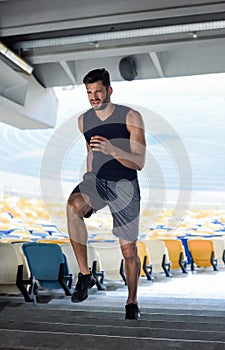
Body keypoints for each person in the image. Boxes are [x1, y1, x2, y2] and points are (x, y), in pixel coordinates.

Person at [66, 68, 146, 319]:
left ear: (109, 90)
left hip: (125, 186)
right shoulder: (84, 120)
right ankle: (85, 275)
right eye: (89, 92)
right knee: (73, 206)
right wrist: (89, 175)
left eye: (98, 91)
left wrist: (112, 149)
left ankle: (131, 301)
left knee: (129, 252)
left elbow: (139, 161)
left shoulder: (131, 117)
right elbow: (89, 151)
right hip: (97, 182)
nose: (94, 96)